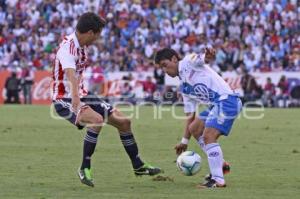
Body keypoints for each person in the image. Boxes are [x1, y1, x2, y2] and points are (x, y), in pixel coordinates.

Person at [52, 12, 161, 187]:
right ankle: (84, 167)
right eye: (97, 34)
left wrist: (82, 97)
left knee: (124, 122)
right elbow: (71, 74)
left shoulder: (82, 46)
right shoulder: (68, 48)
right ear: (89, 32)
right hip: (64, 97)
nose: (98, 38)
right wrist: (76, 102)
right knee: (97, 120)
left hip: (83, 93)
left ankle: (138, 165)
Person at [155, 48, 242, 188]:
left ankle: (217, 180)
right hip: (217, 105)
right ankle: (220, 165)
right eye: (161, 68)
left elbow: (203, 59)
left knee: (208, 136)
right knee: (195, 128)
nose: (164, 70)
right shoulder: (184, 88)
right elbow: (190, 116)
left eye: (165, 65)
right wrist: (184, 141)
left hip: (227, 101)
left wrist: (208, 56)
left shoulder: (188, 62)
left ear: (174, 59)